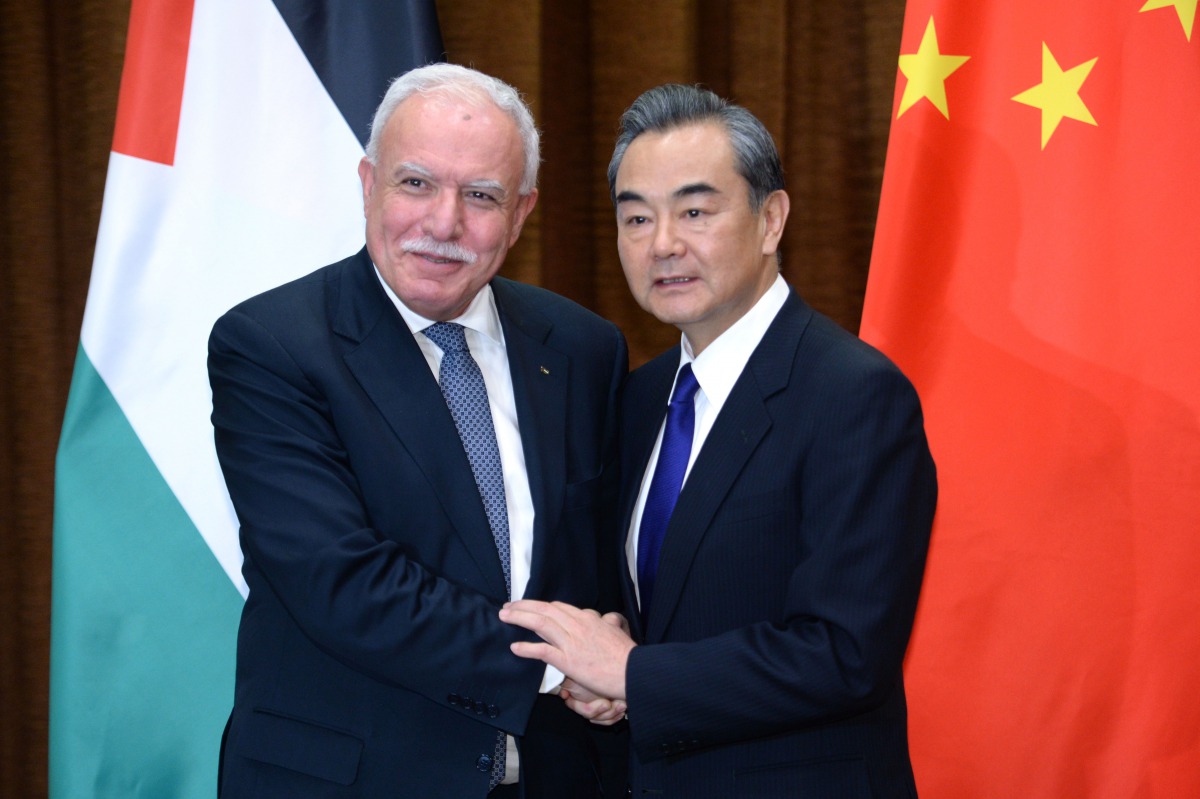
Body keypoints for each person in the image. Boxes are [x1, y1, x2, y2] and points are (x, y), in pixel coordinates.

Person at [500, 84, 938, 797]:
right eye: (637, 217)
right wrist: (616, 670)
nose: (663, 243)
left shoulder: (855, 395)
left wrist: (633, 674)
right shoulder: (642, 396)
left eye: (695, 211)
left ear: (771, 220)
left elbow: (844, 653)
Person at [209, 63, 627, 798]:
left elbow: (600, 559)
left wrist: (621, 648)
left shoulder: (584, 348)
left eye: (482, 195)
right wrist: (566, 661)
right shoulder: (271, 345)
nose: (443, 223)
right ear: (369, 183)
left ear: (521, 212)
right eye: (416, 183)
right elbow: (343, 583)